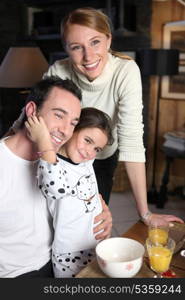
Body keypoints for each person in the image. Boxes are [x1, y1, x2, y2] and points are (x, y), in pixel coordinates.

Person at [44, 7, 184, 226]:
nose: (88, 56)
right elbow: (31, 120)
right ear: (66, 49)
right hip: (59, 155)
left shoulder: (125, 72)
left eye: (95, 42)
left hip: (101, 159)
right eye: (76, 47)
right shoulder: (58, 71)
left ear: (108, 40)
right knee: (52, 221)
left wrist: (145, 213)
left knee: (93, 225)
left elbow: (132, 142)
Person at [0, 76, 112, 278]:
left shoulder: (65, 163)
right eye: (59, 115)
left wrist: (102, 212)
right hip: (18, 275)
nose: (65, 130)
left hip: (58, 261)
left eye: (73, 123)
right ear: (32, 111)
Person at [25, 107, 114, 278]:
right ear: (72, 130)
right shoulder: (50, 163)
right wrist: (44, 139)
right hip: (69, 254)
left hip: (98, 245)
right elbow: (55, 186)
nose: (89, 152)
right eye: (87, 140)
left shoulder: (86, 161)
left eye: (97, 149)